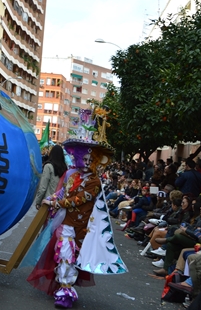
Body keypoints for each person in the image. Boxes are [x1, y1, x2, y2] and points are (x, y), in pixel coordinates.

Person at [27, 110, 125, 309]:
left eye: (91, 159)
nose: (87, 162)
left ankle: (66, 290)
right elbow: (64, 193)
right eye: (84, 158)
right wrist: (53, 197)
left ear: (96, 160)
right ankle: (63, 288)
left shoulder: (95, 181)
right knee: (63, 253)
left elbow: (78, 200)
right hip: (66, 223)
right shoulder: (73, 174)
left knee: (70, 257)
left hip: (81, 226)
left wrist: (56, 203)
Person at [33, 143, 67, 209]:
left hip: (47, 201)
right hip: (58, 202)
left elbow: (43, 187)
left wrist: (38, 201)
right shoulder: (65, 168)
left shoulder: (48, 166)